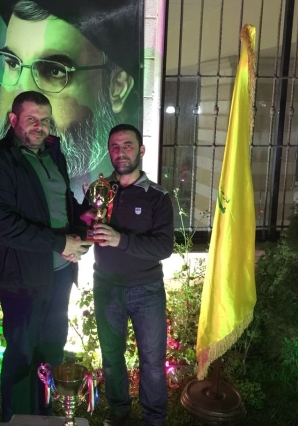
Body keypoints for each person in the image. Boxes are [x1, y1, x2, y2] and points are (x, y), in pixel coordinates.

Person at [0, 90, 92, 422]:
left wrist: (82, 227)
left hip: (59, 273)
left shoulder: (53, 154)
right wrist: (59, 242)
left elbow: (62, 205)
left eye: (44, 120)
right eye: (31, 119)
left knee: (52, 349)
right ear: (13, 120)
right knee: (22, 354)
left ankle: (45, 415)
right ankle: (17, 419)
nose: (39, 126)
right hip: (21, 279)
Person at [0, 0, 143, 196]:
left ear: (117, 87)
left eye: (54, 71)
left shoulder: (128, 196)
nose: (22, 105)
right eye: (13, 63)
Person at [86, 124, 174, 426]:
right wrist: (80, 236)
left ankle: (154, 419)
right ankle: (120, 413)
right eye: (115, 146)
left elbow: (163, 247)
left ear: (141, 150)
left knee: (153, 362)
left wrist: (120, 240)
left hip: (146, 289)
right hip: (106, 287)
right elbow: (85, 226)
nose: (120, 152)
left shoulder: (157, 196)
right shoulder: (99, 191)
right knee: (111, 358)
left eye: (127, 146)